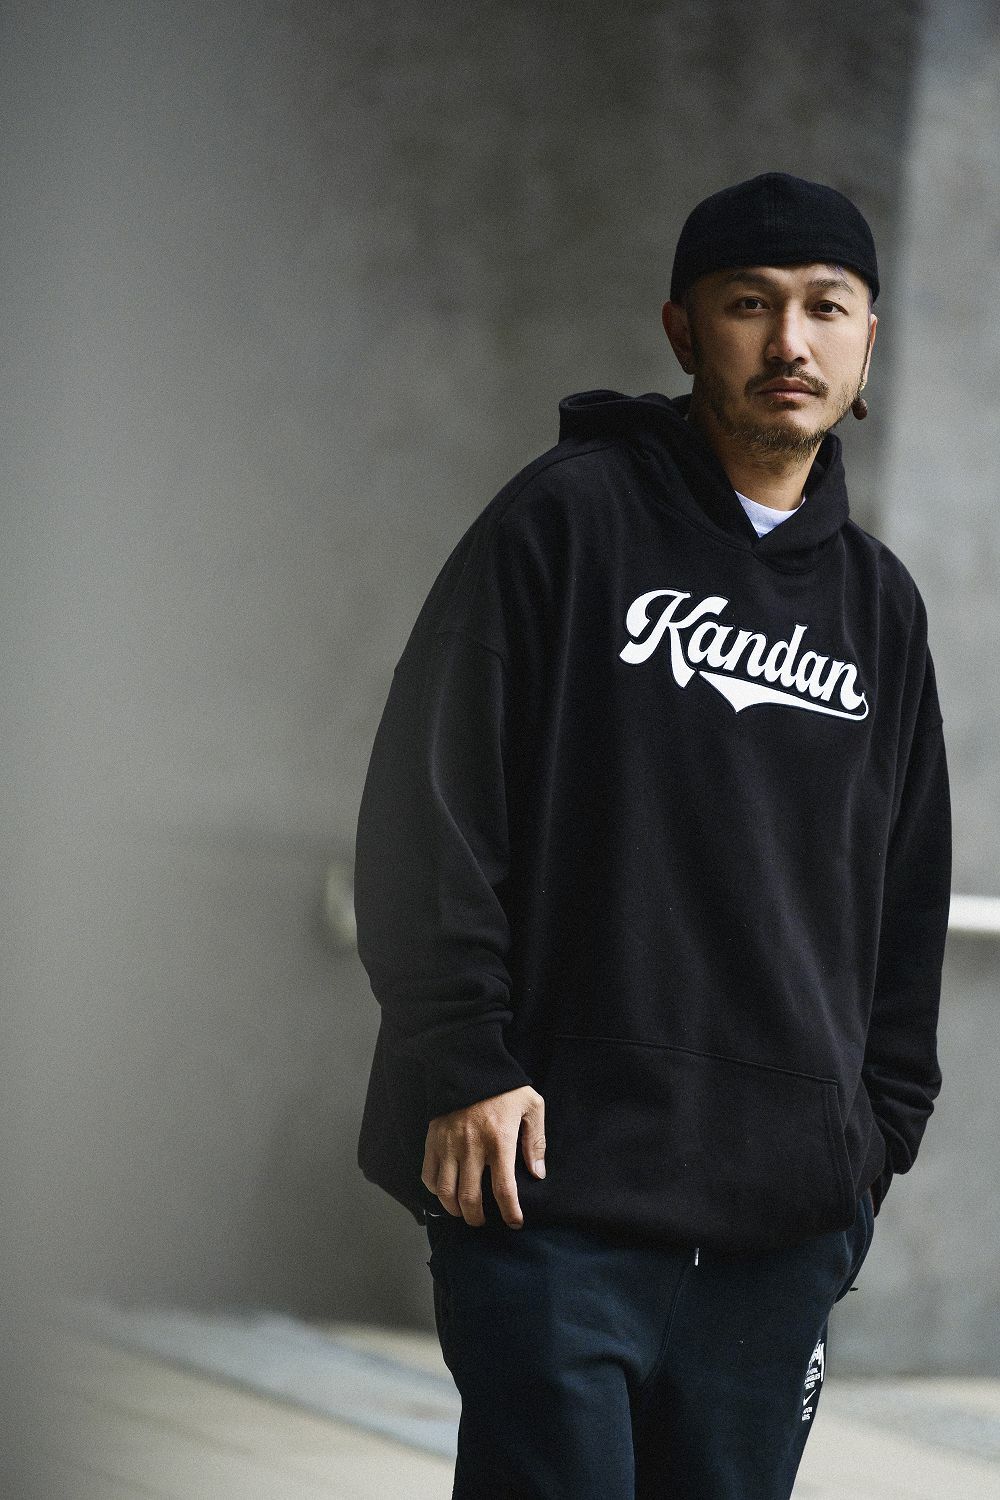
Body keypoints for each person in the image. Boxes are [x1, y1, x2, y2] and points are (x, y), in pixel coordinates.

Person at [353, 172, 952, 1500]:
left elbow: (909, 897)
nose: (789, 341)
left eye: (826, 308)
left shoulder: (880, 606)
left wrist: (870, 1143)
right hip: (552, 1194)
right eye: (749, 305)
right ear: (683, 330)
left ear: (867, 342)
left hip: (777, 1225)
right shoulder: (566, 521)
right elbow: (430, 803)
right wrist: (462, 1059)